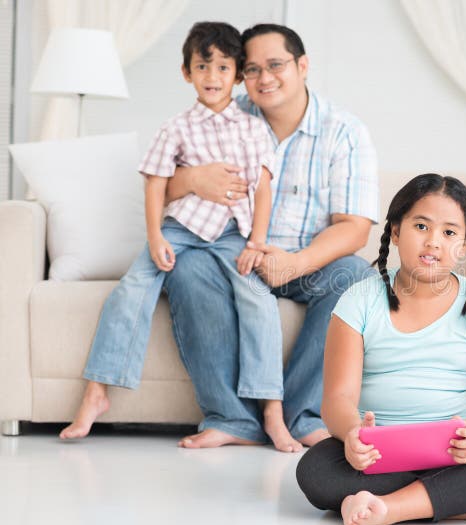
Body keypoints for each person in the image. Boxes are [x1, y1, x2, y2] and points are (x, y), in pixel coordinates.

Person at [60, 22, 300, 451]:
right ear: (187, 73)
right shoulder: (176, 128)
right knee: (130, 290)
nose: (212, 76)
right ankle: (97, 393)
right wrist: (155, 237)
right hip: (180, 229)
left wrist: (256, 242)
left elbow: (263, 187)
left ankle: (272, 412)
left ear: (237, 73)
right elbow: (155, 185)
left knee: (258, 300)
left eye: (223, 67)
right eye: (202, 66)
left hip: (232, 233)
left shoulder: (251, 128)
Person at [158, 23, 379, 449]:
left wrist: (295, 262)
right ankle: (232, 419)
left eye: (275, 65)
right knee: (186, 266)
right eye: (252, 69)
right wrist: (190, 179)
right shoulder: (223, 114)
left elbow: (355, 228)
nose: (264, 78)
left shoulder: (345, 131)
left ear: (303, 65)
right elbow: (159, 182)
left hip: (303, 262)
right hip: (231, 254)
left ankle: (303, 415)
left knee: (354, 275)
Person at [296, 174, 466, 525]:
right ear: (396, 232)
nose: (433, 241)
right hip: (380, 454)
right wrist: (353, 435)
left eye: (449, 233)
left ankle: (389, 508)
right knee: (315, 471)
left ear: (464, 245)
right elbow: (337, 397)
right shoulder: (358, 300)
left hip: (457, 453)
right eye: (421, 226)